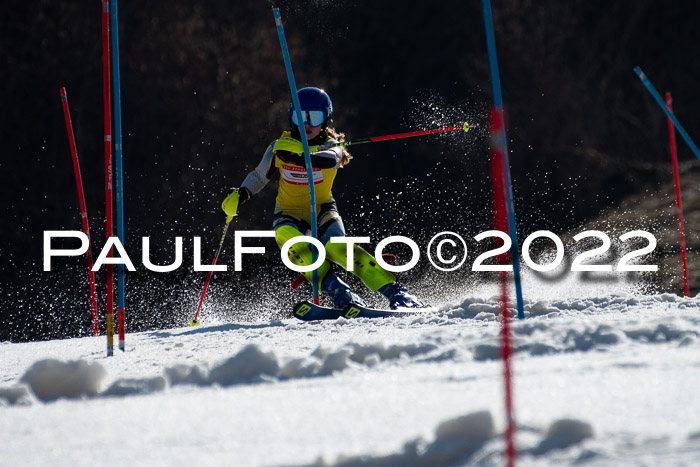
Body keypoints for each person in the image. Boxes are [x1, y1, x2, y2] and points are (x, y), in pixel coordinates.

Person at [221, 87, 423, 310]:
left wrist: (300, 157)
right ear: (291, 117)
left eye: (314, 117)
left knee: (338, 248)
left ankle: (397, 293)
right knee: (291, 242)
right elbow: (259, 176)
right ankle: (341, 292)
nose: (306, 124)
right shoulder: (278, 146)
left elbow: (327, 160)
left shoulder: (332, 145)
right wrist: (242, 193)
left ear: (325, 119)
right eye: (300, 116)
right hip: (287, 213)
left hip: (322, 210)